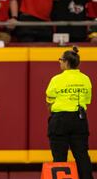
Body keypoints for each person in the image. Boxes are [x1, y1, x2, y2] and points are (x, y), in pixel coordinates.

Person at [45, 46, 93, 179]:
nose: (59, 62)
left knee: (59, 157)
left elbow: (49, 101)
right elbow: (87, 100)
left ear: (66, 62)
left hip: (60, 120)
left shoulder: (56, 79)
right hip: (80, 120)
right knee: (82, 156)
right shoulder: (85, 79)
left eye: (60, 60)